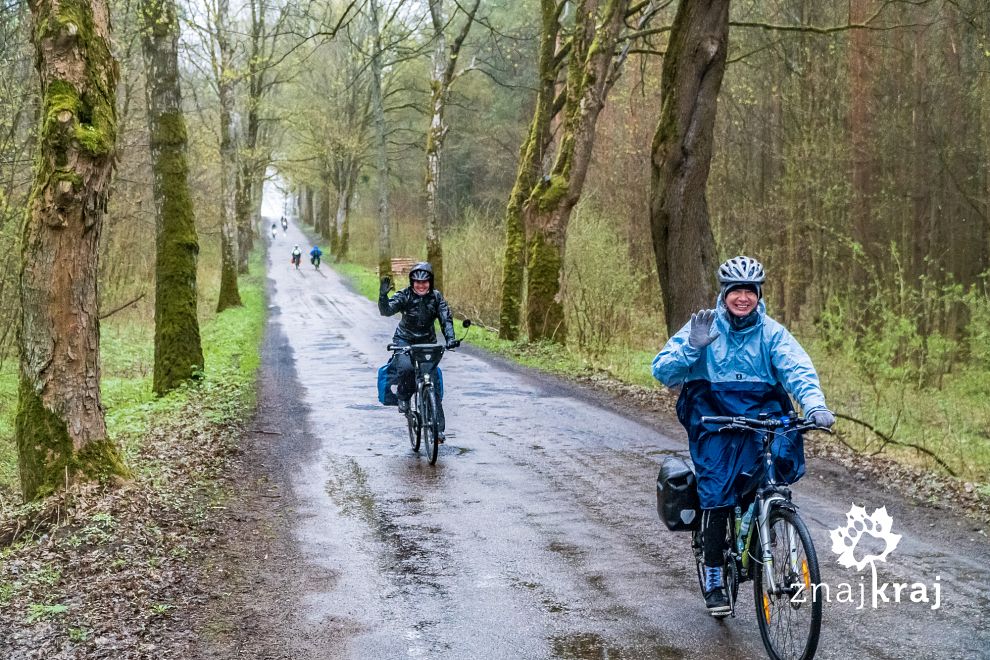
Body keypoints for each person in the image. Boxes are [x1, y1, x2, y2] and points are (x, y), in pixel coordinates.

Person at [652, 255, 835, 615]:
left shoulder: (772, 333)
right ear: (725, 294)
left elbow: (797, 369)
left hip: (761, 416)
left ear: (758, 294)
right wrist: (693, 347)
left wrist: (814, 405)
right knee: (717, 490)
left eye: (749, 292)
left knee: (774, 471)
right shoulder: (704, 325)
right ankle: (716, 574)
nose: (742, 298)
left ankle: (769, 532)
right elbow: (661, 370)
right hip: (714, 418)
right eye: (736, 291)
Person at [379, 262, 456, 440]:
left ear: (430, 282)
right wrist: (383, 297)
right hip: (404, 340)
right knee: (406, 368)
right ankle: (404, 397)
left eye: (425, 282)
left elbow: (446, 318)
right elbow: (387, 311)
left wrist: (450, 338)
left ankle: (438, 430)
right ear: (412, 282)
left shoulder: (436, 298)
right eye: (417, 282)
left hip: (427, 342)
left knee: (433, 382)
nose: (421, 286)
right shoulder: (405, 295)